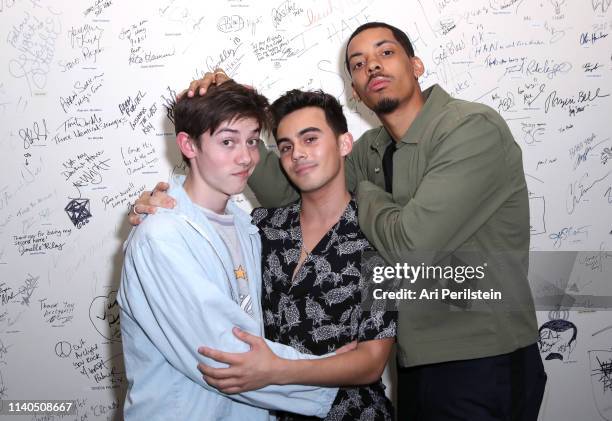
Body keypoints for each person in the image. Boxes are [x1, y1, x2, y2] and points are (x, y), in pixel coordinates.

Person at [133, 21, 546, 421]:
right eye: (359, 63)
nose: (373, 66)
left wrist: (362, 190)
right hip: (417, 363)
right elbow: (295, 184)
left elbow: (412, 244)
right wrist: (184, 196)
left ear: (416, 65)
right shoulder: (373, 150)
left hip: (482, 357)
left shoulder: (469, 128)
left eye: (386, 53)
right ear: (356, 90)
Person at [118, 81, 340, 420]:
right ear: (188, 145)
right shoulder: (161, 237)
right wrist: (338, 373)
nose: (246, 157)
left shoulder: (248, 226)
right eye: (227, 141)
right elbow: (226, 357)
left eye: (252, 141)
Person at [198, 89, 396, 421]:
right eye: (287, 146)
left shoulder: (376, 235)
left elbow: (371, 361)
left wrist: (277, 369)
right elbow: (197, 224)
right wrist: (160, 203)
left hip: (352, 413)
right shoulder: (261, 228)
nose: (297, 154)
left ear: (344, 144)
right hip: (265, 411)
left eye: (310, 139)